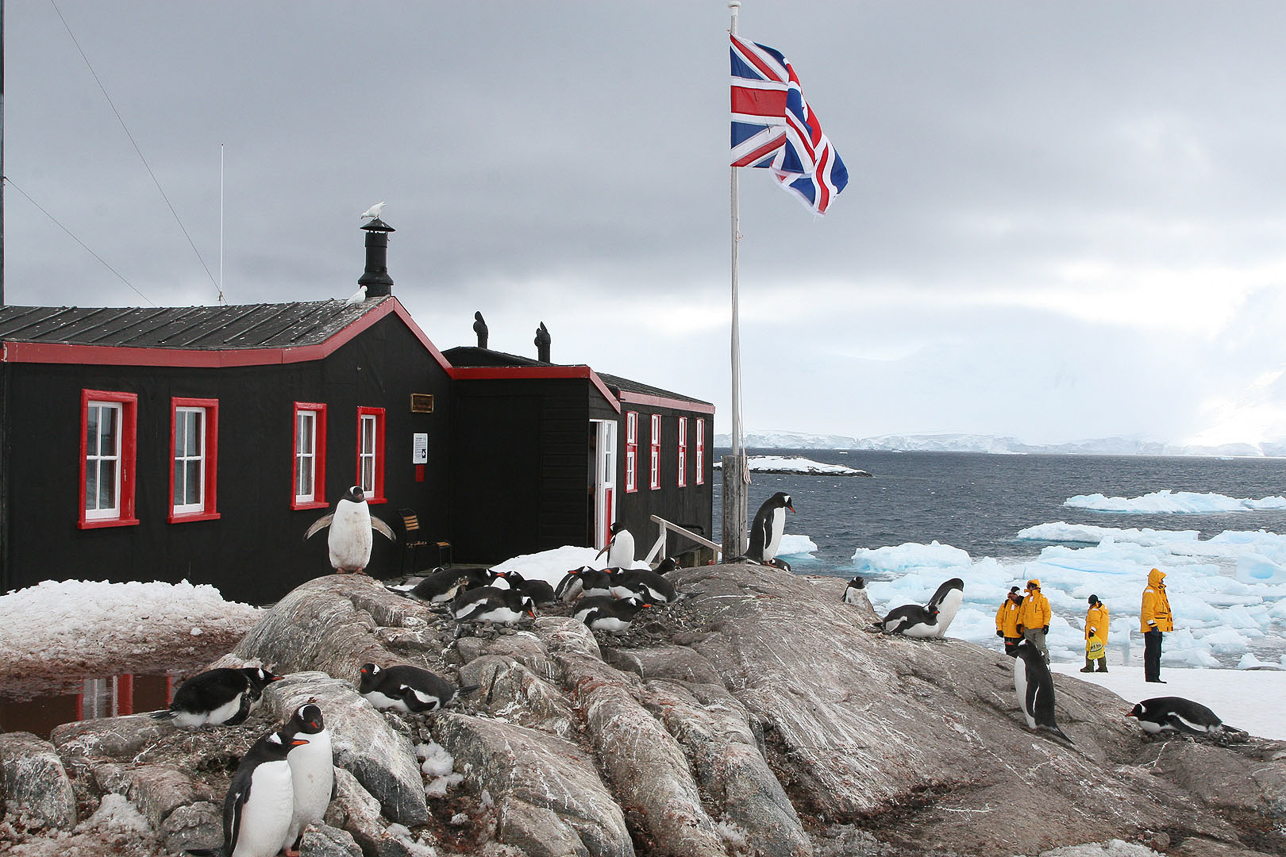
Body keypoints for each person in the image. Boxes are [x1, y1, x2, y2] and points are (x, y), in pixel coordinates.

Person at [1140, 567, 1173, 683]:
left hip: (1158, 627)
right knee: (1152, 652)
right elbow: (1147, 610)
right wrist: (1152, 624)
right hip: (1152, 628)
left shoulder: (1159, 592)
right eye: (1161, 579)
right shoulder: (1150, 592)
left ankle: (1155, 676)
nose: (1163, 581)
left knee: (1157, 653)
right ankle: (1151, 677)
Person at [1017, 578, 1052, 664]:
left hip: (1039, 627)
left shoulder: (1042, 598)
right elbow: (1022, 612)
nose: (1031, 588)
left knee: (1041, 646)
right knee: (1030, 647)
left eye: (1033, 586)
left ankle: (1046, 662)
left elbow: (1047, 612)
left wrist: (1046, 624)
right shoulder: (1026, 599)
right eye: (1030, 586)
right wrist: (1019, 623)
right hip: (1028, 627)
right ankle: (1032, 663)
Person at [1082, 595, 1109, 673]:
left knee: (1090, 649)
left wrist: (1092, 631)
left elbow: (1095, 622)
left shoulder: (1094, 610)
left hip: (1095, 634)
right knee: (1100, 650)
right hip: (1101, 634)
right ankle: (1103, 667)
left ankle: (1089, 667)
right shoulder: (1100, 609)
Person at [995, 586, 1023, 657]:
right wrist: (999, 629)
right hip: (1007, 635)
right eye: (1012, 593)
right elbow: (999, 617)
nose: (1013, 595)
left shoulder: (1023, 604)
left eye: (1015, 594)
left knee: (1019, 655)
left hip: (1018, 635)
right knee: (1009, 655)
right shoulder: (1006, 604)